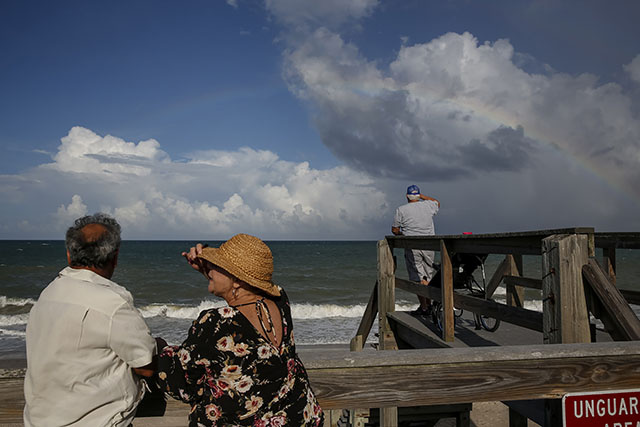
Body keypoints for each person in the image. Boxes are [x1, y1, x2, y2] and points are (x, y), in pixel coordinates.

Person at [157, 233, 324, 426]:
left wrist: (160, 348)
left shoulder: (214, 322)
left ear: (236, 280)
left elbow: (180, 382)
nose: (210, 268)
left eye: (217, 266)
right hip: (297, 416)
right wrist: (209, 272)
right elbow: (240, 299)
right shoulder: (280, 301)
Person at [24, 213, 163, 427]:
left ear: (70, 256)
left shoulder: (48, 294)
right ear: (114, 258)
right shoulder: (112, 303)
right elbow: (145, 366)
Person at [391, 185, 440, 316]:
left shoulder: (401, 209)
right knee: (428, 275)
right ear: (418, 195)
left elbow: (394, 230)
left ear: (407, 196)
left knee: (417, 277)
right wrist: (422, 197)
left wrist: (402, 235)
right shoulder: (428, 206)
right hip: (430, 245)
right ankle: (429, 305)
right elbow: (437, 203)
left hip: (413, 246)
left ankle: (424, 307)